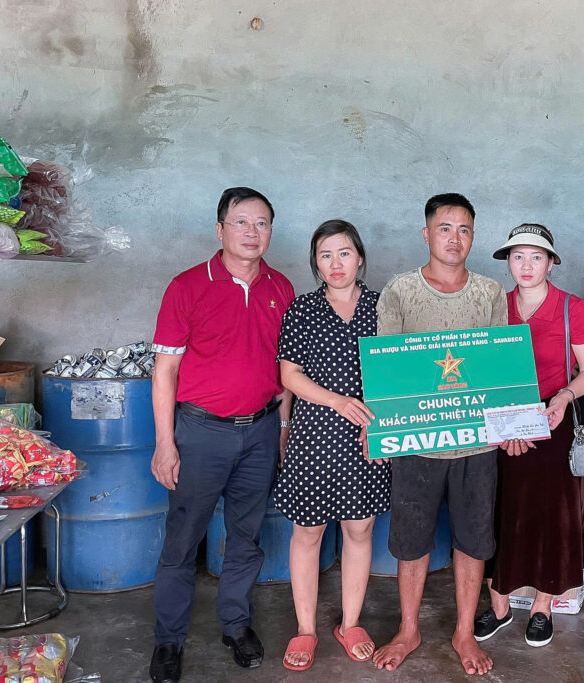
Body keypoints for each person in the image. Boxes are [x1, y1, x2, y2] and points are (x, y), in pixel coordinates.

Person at [147, 187, 295, 683]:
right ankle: (169, 640)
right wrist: (165, 443)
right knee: (183, 539)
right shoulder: (188, 286)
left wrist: (283, 428)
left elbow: (285, 371)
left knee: (246, 536)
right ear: (220, 230)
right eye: (241, 222)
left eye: (262, 223)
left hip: (261, 430)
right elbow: (165, 370)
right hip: (200, 432)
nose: (252, 232)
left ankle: (236, 624)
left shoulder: (281, 287)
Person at [371, 193, 508, 676]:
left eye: (464, 229)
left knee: (473, 539)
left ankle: (464, 631)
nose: (455, 238)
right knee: (411, 539)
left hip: (477, 444)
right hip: (416, 442)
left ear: (473, 237)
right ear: (426, 234)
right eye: (445, 228)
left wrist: (509, 425)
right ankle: (408, 629)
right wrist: (380, 431)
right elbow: (386, 370)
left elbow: (497, 370)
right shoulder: (400, 290)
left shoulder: (490, 292)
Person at [476, 223, 584, 648]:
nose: (526, 265)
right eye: (518, 257)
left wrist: (564, 396)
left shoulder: (572, 309)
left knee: (552, 515)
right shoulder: (494, 305)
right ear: (507, 262)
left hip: (552, 419)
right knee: (499, 511)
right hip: (500, 421)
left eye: (536, 257)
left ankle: (542, 608)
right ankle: (498, 607)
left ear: (551, 263)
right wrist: (502, 421)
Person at [272, 219, 391, 672]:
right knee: (308, 532)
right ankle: (306, 628)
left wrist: (383, 423)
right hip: (315, 435)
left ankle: (351, 623)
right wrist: (337, 401)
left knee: (359, 530)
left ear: (360, 258)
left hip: (366, 435)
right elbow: (289, 375)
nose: (335, 263)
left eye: (344, 253)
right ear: (316, 263)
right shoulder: (302, 310)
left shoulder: (384, 307)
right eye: (325, 255)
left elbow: (400, 371)